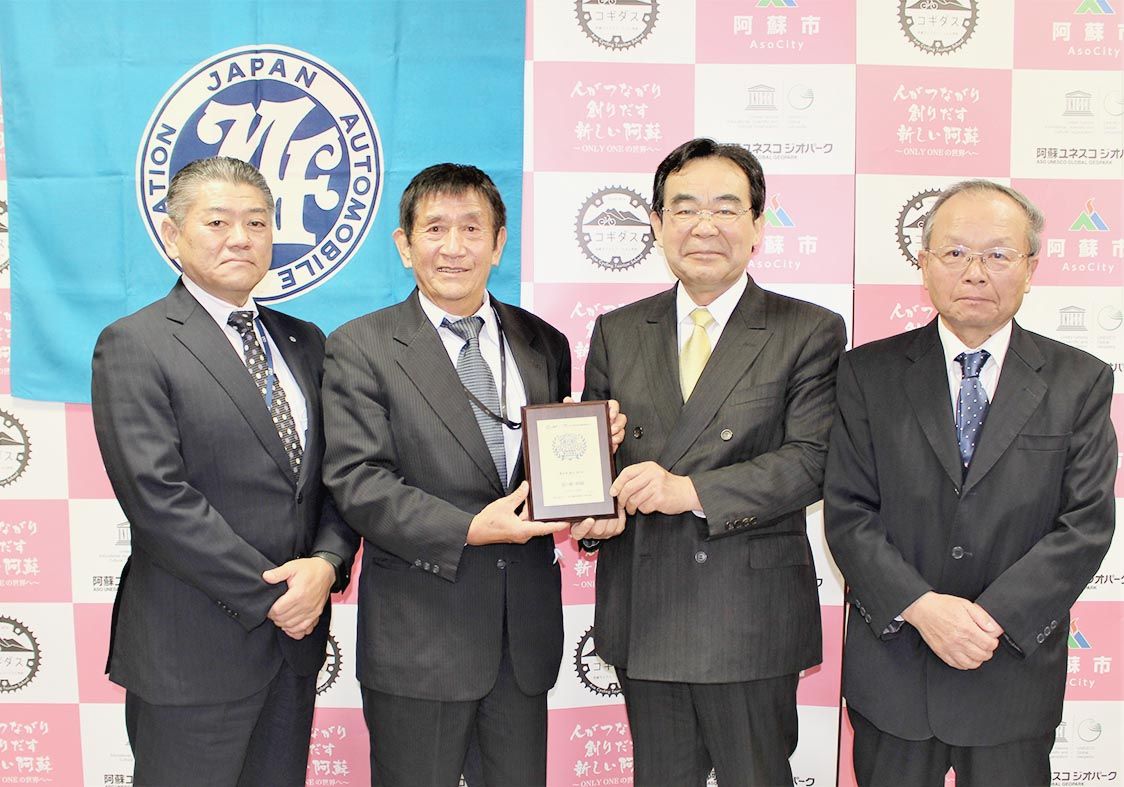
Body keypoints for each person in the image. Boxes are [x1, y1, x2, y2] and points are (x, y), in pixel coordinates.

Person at [322, 163, 623, 787]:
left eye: (472, 228)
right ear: (405, 245)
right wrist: (468, 529)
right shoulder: (360, 346)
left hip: (522, 642)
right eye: (435, 229)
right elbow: (358, 480)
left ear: (499, 242)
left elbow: (546, 476)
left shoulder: (543, 342)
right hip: (419, 639)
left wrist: (593, 463)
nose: (454, 247)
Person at [823, 180, 1116, 787]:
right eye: (955, 252)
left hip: (1011, 676)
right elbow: (849, 512)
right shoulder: (867, 373)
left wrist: (991, 619)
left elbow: (1085, 524)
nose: (975, 272)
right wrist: (924, 609)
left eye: (999, 254)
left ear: (1031, 267)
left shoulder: (1080, 381)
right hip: (896, 672)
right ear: (924, 263)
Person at [581, 137, 847, 786]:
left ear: (758, 225)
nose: (704, 226)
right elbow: (594, 463)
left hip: (748, 615)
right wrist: (591, 507)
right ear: (656, 224)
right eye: (684, 208)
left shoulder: (807, 329)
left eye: (726, 209)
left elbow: (811, 461)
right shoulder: (618, 329)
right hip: (645, 611)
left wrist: (688, 490)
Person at [91, 156, 358, 786]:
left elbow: (339, 475)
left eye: (257, 222)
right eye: (217, 222)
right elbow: (158, 500)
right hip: (192, 652)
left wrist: (326, 564)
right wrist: (275, 598)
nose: (240, 238)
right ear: (172, 233)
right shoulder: (135, 342)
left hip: (292, 650)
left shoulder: (306, 341)